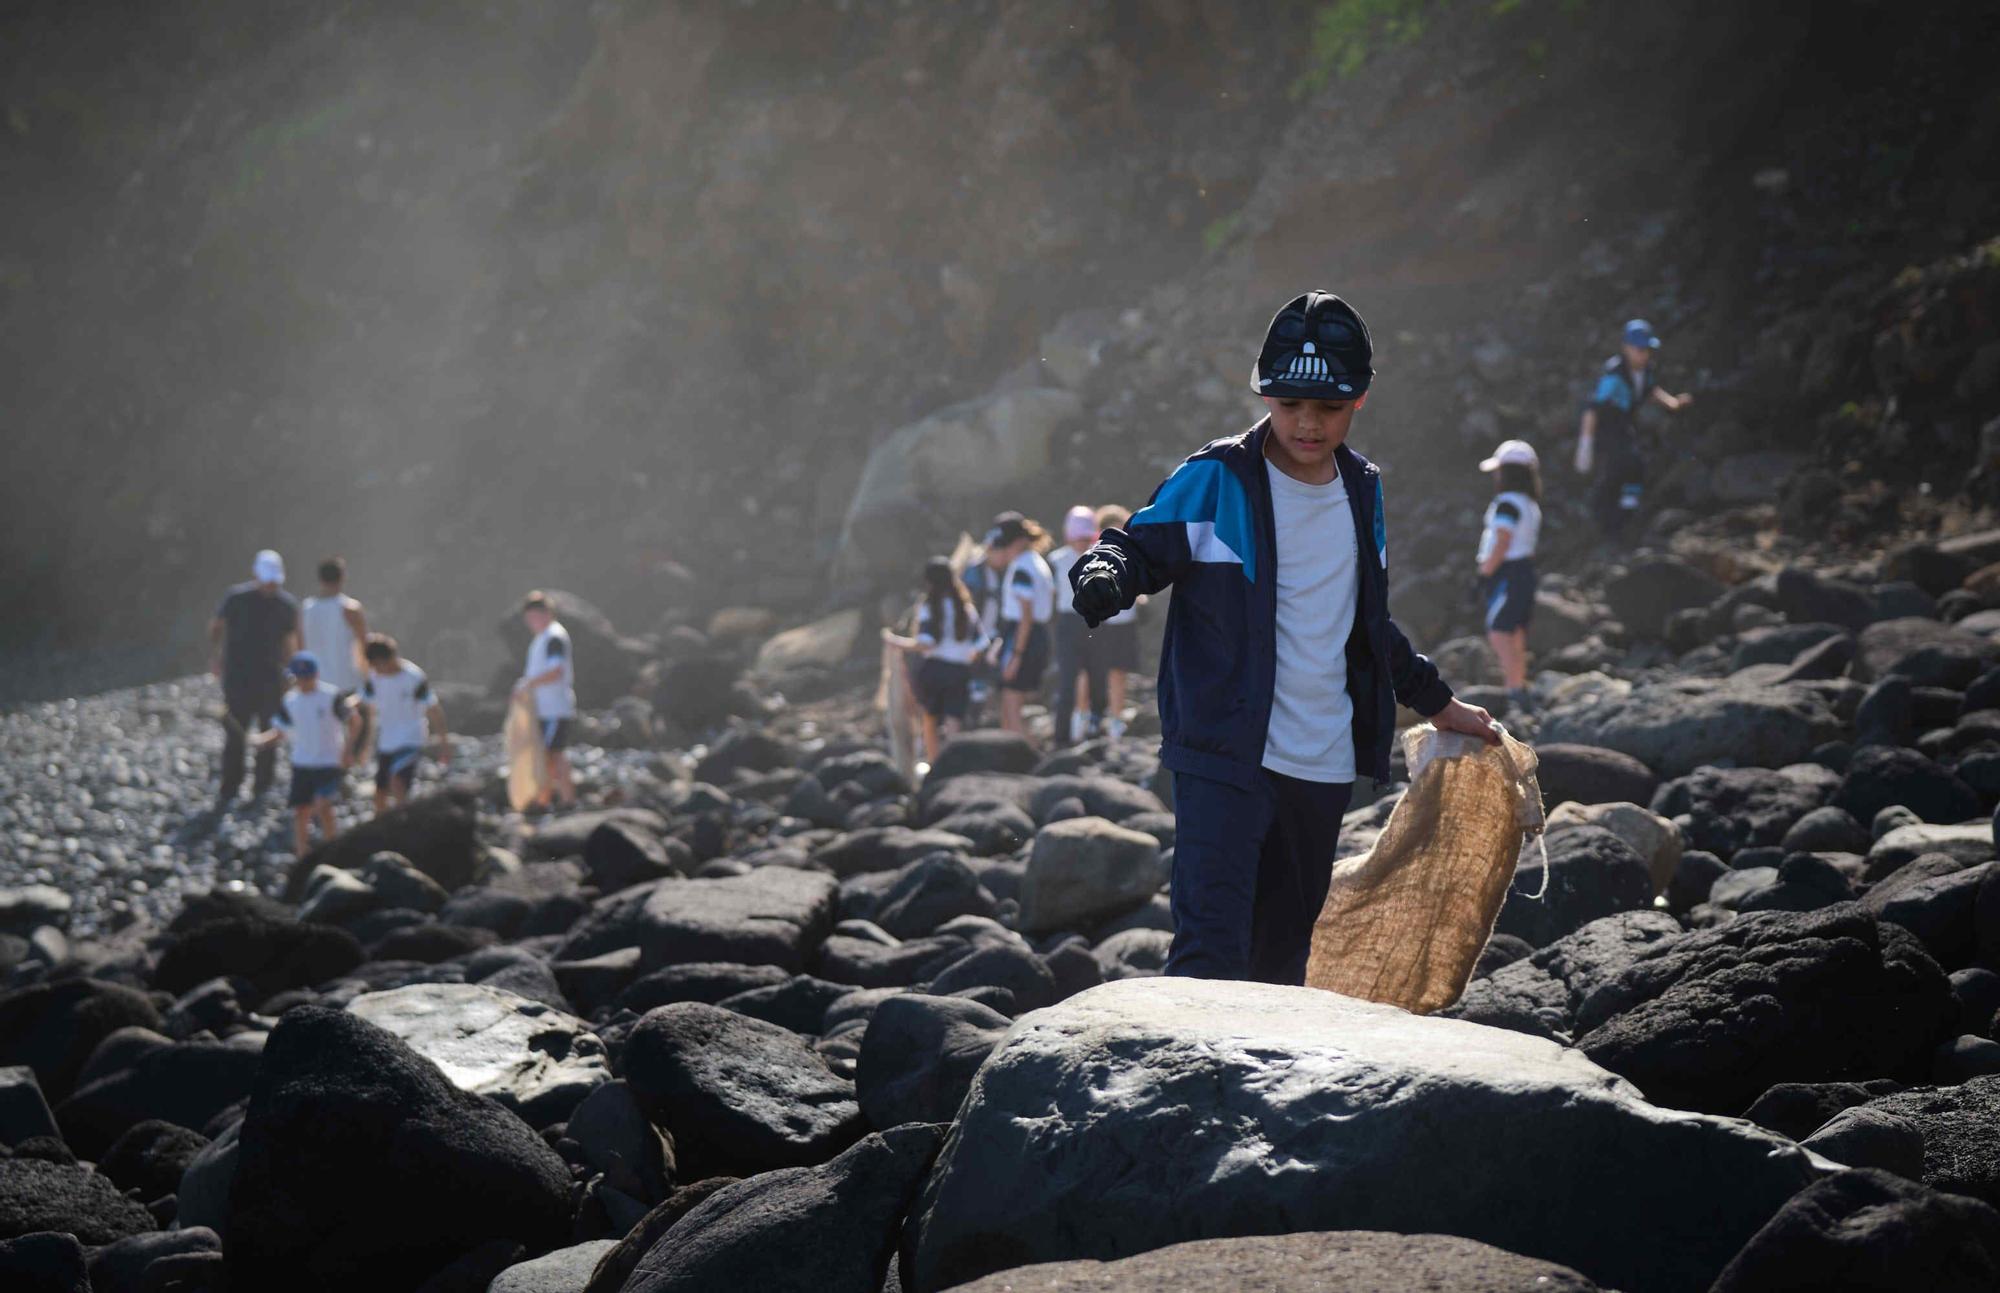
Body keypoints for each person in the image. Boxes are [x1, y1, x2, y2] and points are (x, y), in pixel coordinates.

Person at [1070, 290, 1498, 985]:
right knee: (1208, 954)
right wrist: (1104, 573)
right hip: (1223, 754)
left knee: (1279, 967)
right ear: (1266, 394)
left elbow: (1366, 621)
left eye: (1327, 407)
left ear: (1360, 398)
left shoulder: (1363, 490)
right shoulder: (1216, 478)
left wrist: (1439, 702)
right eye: (1290, 404)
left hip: (1321, 766)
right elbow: (1137, 549)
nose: (1306, 423)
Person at [1573, 318, 1693, 543]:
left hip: (1625, 425)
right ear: (1626, 348)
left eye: (1648, 350)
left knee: (1633, 465)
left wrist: (1673, 404)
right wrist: (1585, 443)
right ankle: (1606, 519)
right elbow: (1593, 409)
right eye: (1640, 349)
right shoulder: (1614, 375)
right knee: (1621, 465)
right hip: (1607, 428)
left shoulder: (1644, 370)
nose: (1644, 354)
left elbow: (1651, 390)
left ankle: (1627, 511)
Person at [208, 549, 301, 808]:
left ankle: (263, 786)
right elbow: (217, 626)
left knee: (268, 732)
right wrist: (216, 657)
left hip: (271, 677)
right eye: (267, 580)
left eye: (274, 581)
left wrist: (292, 670)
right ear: (257, 575)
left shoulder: (286, 604)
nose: (270, 586)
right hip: (237, 676)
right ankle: (230, 787)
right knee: (235, 731)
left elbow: (290, 641)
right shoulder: (236, 598)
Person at [250, 652, 361, 857]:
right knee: (301, 811)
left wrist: (347, 750)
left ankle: (332, 849)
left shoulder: (331, 696)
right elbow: (280, 731)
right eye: (297, 677)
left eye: (304, 677)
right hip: (302, 762)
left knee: (323, 805)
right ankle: (302, 855)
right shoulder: (291, 701)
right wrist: (262, 740)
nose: (301, 682)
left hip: (329, 761)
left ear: (315, 675)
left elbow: (354, 720)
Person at [882, 556, 990, 761]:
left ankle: (934, 762)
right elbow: (981, 644)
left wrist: (896, 641)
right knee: (953, 720)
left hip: (934, 669)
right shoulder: (966, 608)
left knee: (930, 718)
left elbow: (926, 642)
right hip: (959, 670)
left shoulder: (929, 607)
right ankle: (954, 762)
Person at [1475, 440, 1544, 714]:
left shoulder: (1506, 503)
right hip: (1524, 570)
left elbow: (1502, 540)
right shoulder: (1529, 503)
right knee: (1515, 631)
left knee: (1499, 630)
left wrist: (1484, 573)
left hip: (1508, 572)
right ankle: (1519, 685)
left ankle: (1514, 690)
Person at [984, 512, 1056, 739]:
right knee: (1010, 698)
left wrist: (1016, 653)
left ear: (1018, 542)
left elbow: (1026, 613)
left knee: (1011, 702)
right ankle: (1015, 748)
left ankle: (1021, 752)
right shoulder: (1037, 562)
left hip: (1023, 634)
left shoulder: (1022, 568)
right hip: (1034, 633)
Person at [360, 632, 450, 813]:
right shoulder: (374, 677)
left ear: (389, 658)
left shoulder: (414, 678)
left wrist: (444, 743)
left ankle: (402, 825)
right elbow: (363, 700)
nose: (376, 669)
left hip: (411, 738)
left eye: (378, 664)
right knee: (380, 792)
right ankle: (382, 830)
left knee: (397, 781)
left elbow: (434, 710)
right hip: (386, 740)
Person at [1082, 502, 1142, 739]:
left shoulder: (1132, 550)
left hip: (1124, 622)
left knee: (1118, 673)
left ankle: (1115, 719)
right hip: (1101, 622)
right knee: (1093, 672)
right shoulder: (1094, 552)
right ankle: (1090, 716)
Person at [514, 591, 578, 811]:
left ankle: (560, 799)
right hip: (544, 707)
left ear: (548, 614)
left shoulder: (554, 637)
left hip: (555, 707)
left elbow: (556, 671)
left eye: (537, 616)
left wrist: (528, 685)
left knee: (553, 754)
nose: (533, 621)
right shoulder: (542, 638)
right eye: (529, 617)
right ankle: (549, 798)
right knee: (549, 753)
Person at [1046, 506, 1102, 744]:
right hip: (1067, 622)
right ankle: (1061, 734)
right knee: (1067, 680)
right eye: (1077, 537)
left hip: (1095, 621)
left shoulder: (1101, 556)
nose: (1081, 543)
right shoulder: (1055, 560)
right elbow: (1050, 596)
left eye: (1085, 537)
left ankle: (1095, 727)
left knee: (1097, 677)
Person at [300, 557, 368, 694]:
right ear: (343, 577)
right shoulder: (350, 608)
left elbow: (300, 646)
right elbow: (364, 645)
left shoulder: (305, 609)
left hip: (316, 686)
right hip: (347, 684)